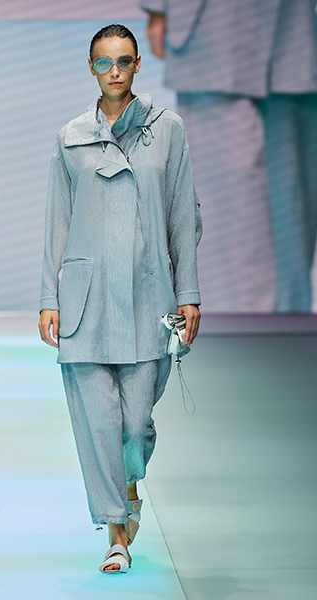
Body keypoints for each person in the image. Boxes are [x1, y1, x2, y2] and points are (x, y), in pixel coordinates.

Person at [39, 24, 202, 573]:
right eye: (104, 62)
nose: (114, 71)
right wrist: (49, 297)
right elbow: (57, 223)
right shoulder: (70, 137)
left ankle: (130, 485)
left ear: (136, 65)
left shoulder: (168, 130)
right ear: (91, 67)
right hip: (85, 300)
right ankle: (115, 531)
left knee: (136, 426)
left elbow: (183, 217)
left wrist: (189, 294)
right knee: (99, 423)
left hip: (148, 296)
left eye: (124, 61)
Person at [141, 0, 317, 313]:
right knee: (226, 210)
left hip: (295, 31)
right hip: (216, 29)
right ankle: (241, 334)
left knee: (291, 211)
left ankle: (285, 333)